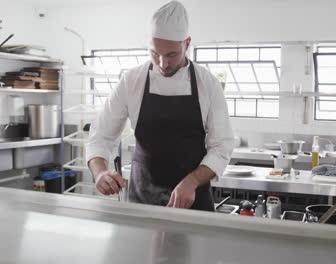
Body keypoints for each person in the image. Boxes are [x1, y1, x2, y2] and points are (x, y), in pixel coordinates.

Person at [86, 1, 234, 212]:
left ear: (187, 43)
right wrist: (100, 172)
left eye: (171, 54)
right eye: (155, 53)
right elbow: (100, 136)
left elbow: (221, 147)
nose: (163, 63)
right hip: (142, 201)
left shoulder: (207, 84)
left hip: (192, 202)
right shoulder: (131, 81)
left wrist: (191, 182)